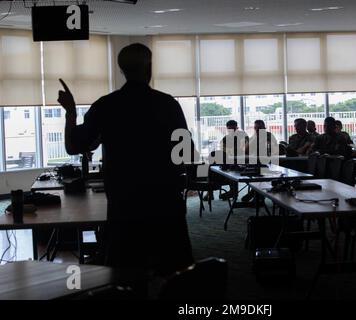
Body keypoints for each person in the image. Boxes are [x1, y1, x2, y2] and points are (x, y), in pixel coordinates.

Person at [57, 44, 194, 280]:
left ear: (122, 70)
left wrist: (70, 112)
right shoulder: (168, 104)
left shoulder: (106, 105)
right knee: (176, 277)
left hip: (124, 206)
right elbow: (185, 154)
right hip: (165, 205)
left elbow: (74, 146)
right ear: (149, 68)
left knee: (127, 278)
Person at [242, 120, 278, 202]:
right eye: (256, 128)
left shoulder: (268, 136)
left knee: (259, 173)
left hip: (268, 163)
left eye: (259, 128)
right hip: (255, 162)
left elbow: (271, 148)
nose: (257, 130)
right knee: (244, 173)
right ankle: (255, 191)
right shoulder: (253, 137)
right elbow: (246, 150)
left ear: (264, 128)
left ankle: (256, 194)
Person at [218, 120, 248, 200]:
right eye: (229, 129)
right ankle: (233, 191)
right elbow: (223, 151)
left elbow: (247, 149)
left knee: (232, 167)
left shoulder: (243, 136)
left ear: (236, 128)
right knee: (229, 167)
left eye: (233, 129)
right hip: (233, 161)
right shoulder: (225, 138)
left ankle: (233, 191)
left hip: (244, 161)